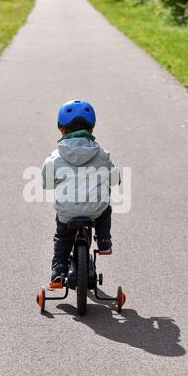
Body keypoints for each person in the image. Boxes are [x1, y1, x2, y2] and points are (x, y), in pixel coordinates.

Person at [42, 100, 120, 281]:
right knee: (105, 208)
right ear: (91, 129)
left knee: (62, 234)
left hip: (68, 211)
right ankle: (104, 241)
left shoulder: (54, 158)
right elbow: (114, 178)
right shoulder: (101, 154)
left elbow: (47, 184)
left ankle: (59, 269)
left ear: (61, 129)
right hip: (95, 209)